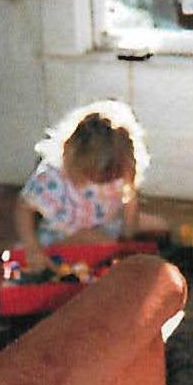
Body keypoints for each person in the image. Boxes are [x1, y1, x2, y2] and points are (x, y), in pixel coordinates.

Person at [15, 99, 165, 271]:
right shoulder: (53, 177)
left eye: (111, 177)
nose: (106, 182)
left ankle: (110, 256)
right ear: (73, 157)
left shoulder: (116, 172)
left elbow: (130, 199)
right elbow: (24, 208)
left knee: (160, 226)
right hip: (61, 237)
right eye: (95, 177)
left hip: (105, 227)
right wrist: (32, 248)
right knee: (94, 240)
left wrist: (128, 234)